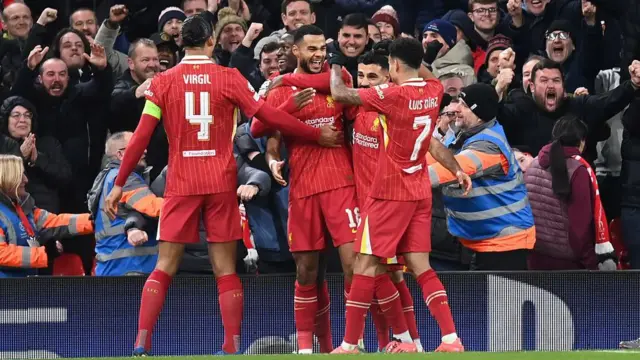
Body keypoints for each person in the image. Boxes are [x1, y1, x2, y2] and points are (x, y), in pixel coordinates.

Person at [103, 14, 344, 356]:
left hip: (181, 181)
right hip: (219, 181)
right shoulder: (229, 77)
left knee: (165, 265)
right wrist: (313, 132)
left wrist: (119, 183)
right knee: (225, 270)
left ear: (181, 43)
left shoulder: (162, 82)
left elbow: (141, 136)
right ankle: (230, 345)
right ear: (212, 42)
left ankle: (142, 342)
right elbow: (265, 116)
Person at [277, 40, 423, 352]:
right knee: (375, 272)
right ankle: (355, 345)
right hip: (361, 200)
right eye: (362, 77)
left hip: (389, 202)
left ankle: (405, 342)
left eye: (374, 77)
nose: (366, 83)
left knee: (385, 274)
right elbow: (264, 125)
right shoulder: (357, 109)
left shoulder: (388, 105)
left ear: (389, 78)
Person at [328, 37, 470, 353]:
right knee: (421, 266)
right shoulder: (434, 90)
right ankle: (450, 339)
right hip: (419, 189)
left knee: (364, 264)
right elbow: (428, 77)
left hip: (390, 191)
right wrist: (456, 168)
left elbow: (339, 93)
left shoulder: (392, 95)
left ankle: (350, 344)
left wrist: (335, 63)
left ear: (392, 65)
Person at [250, 25, 360, 354]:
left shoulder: (340, 81)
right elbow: (264, 131)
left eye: (321, 49)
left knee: (354, 265)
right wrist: (272, 162)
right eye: (311, 49)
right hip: (303, 187)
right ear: (295, 52)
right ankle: (308, 348)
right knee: (307, 270)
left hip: (340, 181)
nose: (318, 55)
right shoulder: (280, 92)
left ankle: (354, 340)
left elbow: (354, 120)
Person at [429, 83, 536, 271]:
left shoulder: (488, 145)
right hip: (485, 240)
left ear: (479, 114)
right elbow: (435, 158)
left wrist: (397, 180)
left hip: (504, 244)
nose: (456, 109)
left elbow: (448, 171)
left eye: (464, 105)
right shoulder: (466, 135)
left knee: (500, 301)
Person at [525, 115, 617, 270]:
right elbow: (579, 226)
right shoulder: (578, 170)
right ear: (581, 141)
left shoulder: (534, 164)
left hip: (535, 258)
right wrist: (591, 262)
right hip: (567, 266)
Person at [0, 154, 94, 278]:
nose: (26, 180)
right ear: (7, 178)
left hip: (22, 286)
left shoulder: (24, 208)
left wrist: (94, 220)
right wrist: (43, 254)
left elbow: (56, 222)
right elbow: (2, 254)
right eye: (20, 175)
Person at [88, 132, 163, 276]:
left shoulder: (107, 177)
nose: (145, 150)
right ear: (121, 155)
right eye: (137, 146)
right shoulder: (124, 180)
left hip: (113, 268)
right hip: (131, 269)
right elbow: (155, 208)